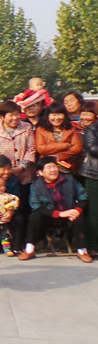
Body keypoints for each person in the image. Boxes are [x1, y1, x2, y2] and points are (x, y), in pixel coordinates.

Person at [18, 157, 91, 263]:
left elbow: (83, 197)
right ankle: (29, 249)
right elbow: (36, 207)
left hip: (68, 215)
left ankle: (82, 251)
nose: (53, 170)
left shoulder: (69, 180)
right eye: (49, 168)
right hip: (49, 217)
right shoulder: (36, 185)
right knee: (34, 217)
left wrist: (77, 210)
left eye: (54, 166)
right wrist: (59, 214)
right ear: (41, 172)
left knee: (78, 218)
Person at [0, 101, 37, 210]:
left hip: (24, 174)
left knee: (24, 205)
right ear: (2, 117)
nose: (15, 118)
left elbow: (31, 149)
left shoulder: (27, 127)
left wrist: (21, 167)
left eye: (17, 114)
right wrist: (5, 170)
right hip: (3, 177)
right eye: (11, 115)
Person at [35, 103, 82, 174]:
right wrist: (64, 145)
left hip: (67, 166)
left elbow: (77, 147)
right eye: (53, 115)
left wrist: (59, 156)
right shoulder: (41, 130)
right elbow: (41, 149)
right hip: (47, 167)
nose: (56, 118)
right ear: (48, 116)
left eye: (59, 114)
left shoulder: (71, 129)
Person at [80, 108, 98, 253]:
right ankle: (92, 246)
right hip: (94, 174)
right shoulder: (92, 128)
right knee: (94, 212)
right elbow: (92, 147)